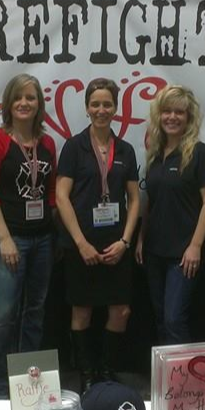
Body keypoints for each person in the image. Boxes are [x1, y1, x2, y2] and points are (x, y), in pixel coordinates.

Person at [0, 74, 57, 398]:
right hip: (8, 239)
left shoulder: (47, 143)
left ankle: (28, 383)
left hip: (43, 240)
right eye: (18, 98)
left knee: (35, 312)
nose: (25, 103)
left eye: (31, 98)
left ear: (39, 104)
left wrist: (55, 236)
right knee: (3, 314)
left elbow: (50, 194)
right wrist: (5, 239)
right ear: (8, 104)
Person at [56, 78, 139, 390]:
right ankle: (87, 375)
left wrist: (126, 242)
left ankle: (107, 370)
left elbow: (134, 201)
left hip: (116, 243)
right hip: (81, 244)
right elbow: (61, 197)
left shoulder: (127, 150)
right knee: (82, 310)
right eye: (95, 104)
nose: (101, 110)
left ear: (116, 108)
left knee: (121, 310)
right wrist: (81, 244)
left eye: (107, 104)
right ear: (87, 107)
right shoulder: (73, 147)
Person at [136, 85, 205, 345]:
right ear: (159, 115)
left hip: (183, 253)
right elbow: (152, 202)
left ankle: (184, 383)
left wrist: (195, 246)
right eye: (167, 111)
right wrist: (140, 238)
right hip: (154, 250)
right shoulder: (156, 155)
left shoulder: (200, 153)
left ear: (189, 117)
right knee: (160, 317)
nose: (172, 117)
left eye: (179, 112)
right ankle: (166, 379)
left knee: (174, 319)